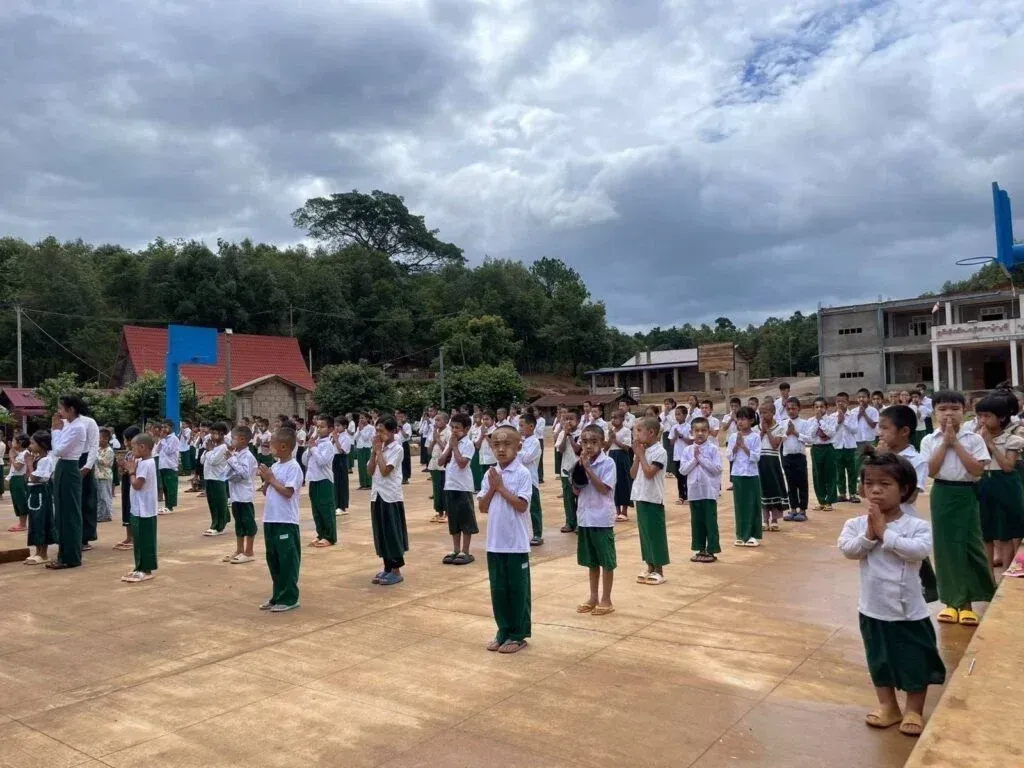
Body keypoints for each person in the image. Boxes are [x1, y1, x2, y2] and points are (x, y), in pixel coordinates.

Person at [837, 449, 945, 738]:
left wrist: (886, 533)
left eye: (885, 485)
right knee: (879, 659)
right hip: (873, 609)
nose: (875, 490)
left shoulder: (917, 527)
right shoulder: (856, 525)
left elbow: (917, 553)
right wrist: (870, 535)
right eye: (869, 483)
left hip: (910, 611)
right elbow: (848, 550)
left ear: (905, 489)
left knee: (915, 662)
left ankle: (913, 710)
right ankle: (888, 706)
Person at [920, 390, 995, 627]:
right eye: (942, 409)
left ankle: (970, 601)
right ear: (934, 413)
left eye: (954, 408)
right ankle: (953, 602)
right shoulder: (928, 440)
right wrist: (945, 443)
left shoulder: (974, 439)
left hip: (966, 494)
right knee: (945, 548)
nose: (948, 413)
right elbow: (930, 471)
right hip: (942, 493)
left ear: (964, 411)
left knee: (969, 545)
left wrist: (956, 443)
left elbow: (976, 470)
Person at [478, 425, 534, 654]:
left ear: (518, 446)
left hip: (516, 543)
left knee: (518, 590)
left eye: (507, 444)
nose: (501, 449)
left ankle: (518, 634)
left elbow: (522, 505)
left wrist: (500, 488)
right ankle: (503, 631)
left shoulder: (522, 473)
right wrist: (493, 488)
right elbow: (482, 506)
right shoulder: (490, 473)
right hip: (495, 543)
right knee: (498, 589)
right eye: (496, 444)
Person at [973, 391, 1024, 578]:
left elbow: (1008, 466)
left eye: (987, 416)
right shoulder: (975, 438)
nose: (982, 420)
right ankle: (988, 577)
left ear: (1001, 417)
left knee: (1005, 532)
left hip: (1005, 485)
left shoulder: (1013, 439)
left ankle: (1005, 571)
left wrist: (990, 444)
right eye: (980, 416)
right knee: (986, 530)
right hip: (984, 484)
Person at [256, 428, 304, 612]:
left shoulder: (294, 467)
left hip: (286, 520)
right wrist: (266, 480)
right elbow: (267, 491)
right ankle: (277, 596)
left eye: (272, 443)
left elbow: (288, 492)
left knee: (287, 560)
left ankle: (290, 597)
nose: (270, 446)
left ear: (283, 446)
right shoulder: (275, 466)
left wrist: (271, 479)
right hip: (271, 519)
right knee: (274, 559)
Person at [573, 424, 617, 615]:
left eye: (593, 442)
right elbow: (576, 490)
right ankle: (593, 597)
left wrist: (589, 469)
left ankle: (606, 599)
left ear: (602, 443)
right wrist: (578, 473)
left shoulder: (608, 464)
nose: (588, 446)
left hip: (601, 518)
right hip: (585, 518)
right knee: (591, 561)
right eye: (584, 442)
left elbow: (603, 488)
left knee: (606, 561)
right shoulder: (579, 463)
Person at [47, 395, 88, 570]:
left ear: (71, 409)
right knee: (62, 513)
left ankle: (71, 556)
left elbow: (58, 450)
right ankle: (64, 554)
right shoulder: (70, 425)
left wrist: (55, 431)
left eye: (61, 408)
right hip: (64, 467)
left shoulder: (77, 427)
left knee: (69, 513)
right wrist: (58, 430)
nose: (59, 412)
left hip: (69, 467)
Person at [369, 416, 408, 586]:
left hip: (390, 496)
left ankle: (396, 570)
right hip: (377, 494)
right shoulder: (379, 448)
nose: (379, 434)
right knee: (381, 533)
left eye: (382, 431)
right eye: (377, 431)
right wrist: (374, 452)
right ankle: (386, 567)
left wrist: (378, 452)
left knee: (392, 532)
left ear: (393, 432)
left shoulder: (397, 449)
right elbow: (370, 471)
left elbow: (385, 471)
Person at [630, 416, 670, 582]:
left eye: (639, 430)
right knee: (645, 534)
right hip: (640, 496)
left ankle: (659, 570)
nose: (636, 434)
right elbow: (633, 474)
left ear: (651, 432)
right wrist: (638, 456)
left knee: (655, 534)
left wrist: (641, 454)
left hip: (653, 498)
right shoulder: (642, 451)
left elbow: (649, 473)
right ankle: (649, 566)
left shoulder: (660, 452)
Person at [680, 416, 723, 563]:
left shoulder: (713, 449)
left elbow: (717, 469)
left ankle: (711, 550)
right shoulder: (687, 450)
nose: (700, 433)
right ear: (691, 432)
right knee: (696, 521)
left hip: (709, 492)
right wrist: (694, 459)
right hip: (694, 492)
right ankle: (700, 549)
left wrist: (701, 459)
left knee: (710, 521)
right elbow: (683, 470)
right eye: (696, 430)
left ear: (708, 432)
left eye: (703, 430)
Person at [119, 433, 159, 583]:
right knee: (139, 540)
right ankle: (139, 567)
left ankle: (146, 569)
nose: (131, 450)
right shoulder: (142, 462)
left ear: (143, 447)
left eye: (134, 447)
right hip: (138, 508)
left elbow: (137, 484)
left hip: (145, 510)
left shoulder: (147, 464)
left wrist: (131, 471)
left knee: (145, 540)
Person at [440, 413, 478, 565]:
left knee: (465, 519)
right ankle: (455, 549)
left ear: (466, 429)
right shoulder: (451, 443)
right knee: (454, 520)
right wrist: (449, 446)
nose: (454, 430)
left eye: (458, 428)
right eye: (452, 427)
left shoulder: (468, 444)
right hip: (450, 486)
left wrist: (455, 446)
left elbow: (462, 463)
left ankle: (465, 550)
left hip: (463, 487)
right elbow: (441, 460)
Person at [727, 406, 763, 547]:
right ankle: (741, 534)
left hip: (751, 474)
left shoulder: (755, 437)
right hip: (737, 474)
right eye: (738, 419)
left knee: (752, 504)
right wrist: (736, 446)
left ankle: (753, 535)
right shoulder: (732, 437)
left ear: (751, 420)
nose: (740, 422)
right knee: (740, 505)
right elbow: (729, 456)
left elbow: (756, 457)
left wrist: (743, 446)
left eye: (743, 419)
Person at [224, 425, 259, 564]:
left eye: (233, 438)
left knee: (248, 522)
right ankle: (239, 550)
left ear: (243, 440)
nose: (231, 441)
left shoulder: (248, 456)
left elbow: (244, 474)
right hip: (235, 495)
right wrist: (231, 460)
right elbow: (228, 472)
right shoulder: (236, 454)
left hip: (245, 495)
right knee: (239, 523)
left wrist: (231, 460)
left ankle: (249, 551)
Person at [304, 415, 338, 548]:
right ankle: (321, 533)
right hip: (313, 479)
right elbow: (304, 461)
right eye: (317, 426)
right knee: (316, 509)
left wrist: (313, 448)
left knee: (326, 509)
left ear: (330, 429)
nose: (319, 429)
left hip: (324, 480)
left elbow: (322, 461)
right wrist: (310, 448)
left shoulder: (328, 445)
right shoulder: (316, 443)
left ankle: (330, 536)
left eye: (322, 427)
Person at [23, 431, 56, 564]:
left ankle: (43, 554)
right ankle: (37, 552)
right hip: (34, 492)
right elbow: (28, 477)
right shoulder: (37, 458)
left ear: (42, 445)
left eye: (33, 443)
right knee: (35, 521)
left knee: (41, 520)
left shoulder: (46, 459)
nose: (30, 445)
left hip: (41, 492)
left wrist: (29, 464)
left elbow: (35, 477)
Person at [757, 403, 788, 532]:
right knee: (762, 489)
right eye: (761, 413)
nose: (763, 416)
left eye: (766, 412)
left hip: (773, 461)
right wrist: (761, 431)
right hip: (761, 462)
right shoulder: (756, 428)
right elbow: (755, 444)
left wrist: (767, 431)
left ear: (773, 412)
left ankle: (774, 519)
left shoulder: (780, 428)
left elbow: (775, 444)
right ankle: (765, 520)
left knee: (774, 488)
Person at [780, 398, 810, 521]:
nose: (791, 411)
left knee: (802, 483)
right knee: (790, 483)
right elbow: (779, 439)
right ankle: (792, 509)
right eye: (788, 409)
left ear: (799, 409)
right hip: (787, 456)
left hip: (799, 456)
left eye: (793, 408)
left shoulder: (804, 423)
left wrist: (796, 433)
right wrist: (787, 432)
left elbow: (809, 439)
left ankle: (802, 510)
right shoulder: (782, 423)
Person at [201, 422, 231, 536]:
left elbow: (213, 461)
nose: (212, 436)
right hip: (209, 477)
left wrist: (209, 451)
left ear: (222, 434)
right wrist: (208, 451)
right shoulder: (212, 447)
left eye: (215, 433)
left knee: (219, 502)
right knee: (212, 502)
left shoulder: (223, 447)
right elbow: (202, 460)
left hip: (218, 478)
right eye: (211, 433)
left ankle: (218, 526)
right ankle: (218, 521)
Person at [519, 413, 544, 546]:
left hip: (531, 479)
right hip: (521, 479)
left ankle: (537, 534)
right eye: (519, 425)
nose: (520, 428)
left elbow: (526, 458)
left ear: (531, 426)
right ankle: (524, 533)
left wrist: (518, 450)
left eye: (522, 425)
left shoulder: (534, 442)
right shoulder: (522, 441)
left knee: (534, 507)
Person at [809, 397, 837, 511]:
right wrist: (817, 421)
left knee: (830, 474)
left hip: (828, 448)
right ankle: (821, 500)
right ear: (813, 408)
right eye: (816, 407)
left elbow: (830, 433)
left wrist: (821, 421)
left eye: (821, 406)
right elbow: (811, 434)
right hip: (816, 448)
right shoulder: (810, 420)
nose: (819, 409)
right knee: (817, 475)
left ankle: (829, 501)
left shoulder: (831, 419)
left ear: (826, 408)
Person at [78, 407, 100, 551]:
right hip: (68, 460)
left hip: (84, 460)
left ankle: (85, 537)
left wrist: (88, 466)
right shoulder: (62, 423)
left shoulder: (88, 422)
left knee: (86, 500)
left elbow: (93, 446)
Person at [606, 410, 634, 522]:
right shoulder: (610, 431)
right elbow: (607, 446)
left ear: (622, 419)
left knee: (623, 482)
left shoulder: (626, 430)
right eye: (612, 417)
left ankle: (624, 511)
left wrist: (614, 439)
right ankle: (617, 511)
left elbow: (626, 447)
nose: (613, 420)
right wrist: (609, 440)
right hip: (612, 456)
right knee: (614, 482)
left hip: (622, 457)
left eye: (616, 418)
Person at [833, 393, 859, 504]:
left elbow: (855, 430)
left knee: (852, 471)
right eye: (838, 401)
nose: (840, 403)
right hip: (837, 447)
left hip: (850, 447)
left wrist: (844, 421)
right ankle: (842, 494)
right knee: (839, 472)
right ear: (835, 403)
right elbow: (831, 430)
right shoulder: (832, 416)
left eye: (843, 401)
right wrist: (838, 421)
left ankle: (853, 494)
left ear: (847, 403)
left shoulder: (852, 415)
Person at [558, 410, 580, 533]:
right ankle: (569, 522)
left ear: (577, 420)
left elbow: (577, 449)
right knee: (568, 498)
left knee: (580, 497)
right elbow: (561, 450)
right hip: (565, 469)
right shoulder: (563, 434)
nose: (568, 422)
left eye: (571, 419)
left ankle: (579, 523)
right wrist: (565, 434)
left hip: (578, 468)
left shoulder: (582, 433)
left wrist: (570, 436)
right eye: (566, 419)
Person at [428, 411, 451, 523]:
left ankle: (447, 513)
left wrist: (438, 439)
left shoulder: (448, 433)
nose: (436, 422)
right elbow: (429, 451)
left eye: (439, 420)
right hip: (434, 464)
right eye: (435, 420)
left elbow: (447, 450)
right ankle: (439, 512)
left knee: (444, 489)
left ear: (446, 421)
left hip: (444, 466)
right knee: (436, 490)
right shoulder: (435, 432)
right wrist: (433, 440)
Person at [7, 434, 30, 532]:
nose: (12, 443)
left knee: (21, 501)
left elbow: (18, 467)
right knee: (17, 501)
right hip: (15, 478)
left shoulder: (25, 453)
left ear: (20, 443)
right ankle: (21, 522)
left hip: (19, 479)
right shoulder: (20, 453)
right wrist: (13, 455)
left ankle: (23, 524)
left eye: (13, 441)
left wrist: (12, 457)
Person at [854, 389, 880, 473]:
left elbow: (873, 425)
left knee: (871, 459)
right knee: (858, 460)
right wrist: (859, 414)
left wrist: (864, 414)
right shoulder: (853, 411)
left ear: (868, 398)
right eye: (859, 397)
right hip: (858, 439)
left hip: (870, 439)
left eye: (863, 397)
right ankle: (859, 478)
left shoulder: (873, 411)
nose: (861, 399)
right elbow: (852, 425)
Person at [157, 421, 180, 515]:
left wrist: (162, 440)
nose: (163, 429)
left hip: (170, 466)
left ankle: (170, 506)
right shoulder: (163, 439)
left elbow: (169, 451)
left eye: (165, 427)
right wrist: (160, 440)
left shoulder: (174, 439)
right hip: (163, 465)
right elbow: (157, 450)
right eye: (162, 427)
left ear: (171, 427)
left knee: (171, 487)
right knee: (165, 487)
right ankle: (167, 506)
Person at [669, 405, 691, 504]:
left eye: (679, 414)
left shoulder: (689, 427)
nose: (677, 416)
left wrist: (681, 436)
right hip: (677, 455)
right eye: (676, 415)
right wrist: (676, 436)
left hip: (686, 456)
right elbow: (671, 442)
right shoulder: (674, 427)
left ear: (685, 415)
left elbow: (691, 441)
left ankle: (688, 496)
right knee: (679, 477)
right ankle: (681, 496)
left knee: (687, 476)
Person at [332, 416, 351, 516]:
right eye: (335, 425)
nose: (336, 428)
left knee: (341, 482)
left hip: (341, 459)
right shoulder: (337, 435)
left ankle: (342, 506)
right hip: (334, 459)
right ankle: (336, 504)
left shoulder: (346, 437)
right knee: (335, 482)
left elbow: (342, 450)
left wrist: (336, 439)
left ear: (345, 426)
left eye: (338, 426)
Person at [96, 428, 116, 523]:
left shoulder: (109, 450)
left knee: (105, 496)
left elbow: (106, 462)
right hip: (97, 475)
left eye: (100, 438)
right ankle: (100, 515)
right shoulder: (98, 449)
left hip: (105, 476)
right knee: (99, 497)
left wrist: (96, 455)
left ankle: (108, 515)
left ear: (106, 439)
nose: (99, 440)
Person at [355, 413, 375, 490]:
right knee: (361, 467)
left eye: (363, 418)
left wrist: (361, 430)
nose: (361, 420)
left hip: (367, 448)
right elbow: (355, 438)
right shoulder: (359, 427)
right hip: (360, 448)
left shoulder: (371, 428)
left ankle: (369, 484)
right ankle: (362, 484)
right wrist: (359, 430)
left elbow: (366, 438)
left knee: (367, 466)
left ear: (367, 419)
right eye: (360, 418)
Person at [659, 398, 678, 476]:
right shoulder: (662, 414)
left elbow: (674, 423)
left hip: (673, 434)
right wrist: (665, 415)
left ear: (672, 404)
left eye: (668, 404)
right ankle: (667, 470)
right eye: (665, 404)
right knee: (667, 452)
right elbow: (660, 423)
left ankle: (672, 470)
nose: (667, 405)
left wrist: (668, 416)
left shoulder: (675, 412)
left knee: (672, 452)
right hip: (665, 434)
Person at [396, 409, 413, 485]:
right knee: (399, 461)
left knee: (405, 461)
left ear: (406, 417)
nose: (401, 418)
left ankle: (405, 477)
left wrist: (401, 428)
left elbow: (406, 436)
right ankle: (400, 477)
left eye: (402, 417)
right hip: (397, 444)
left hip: (404, 444)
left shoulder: (407, 425)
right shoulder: (396, 425)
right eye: (399, 417)